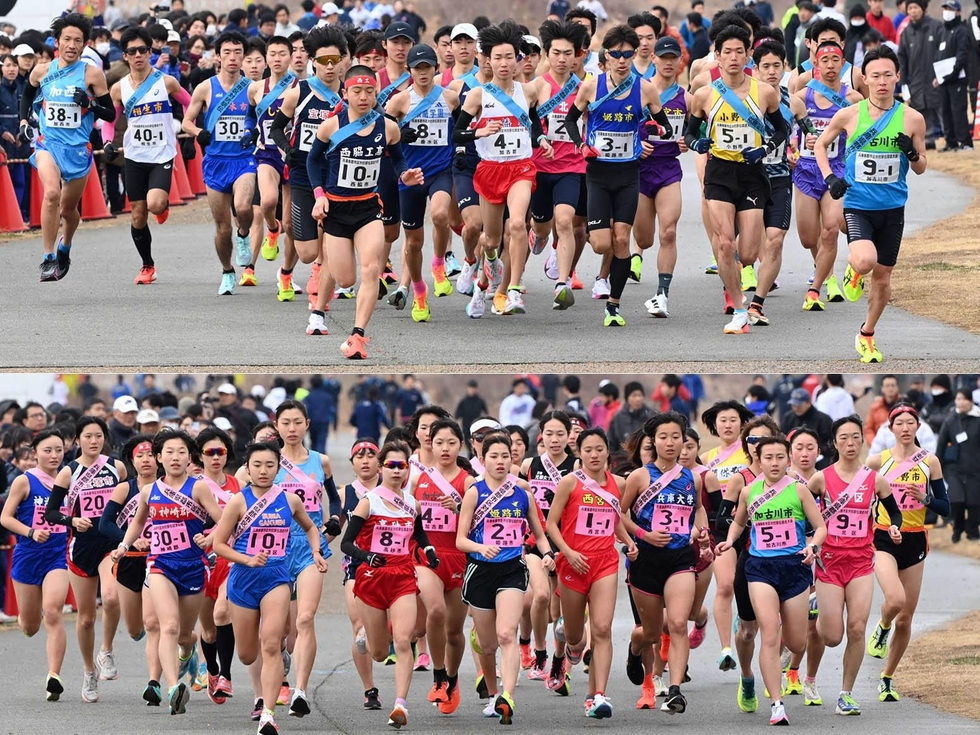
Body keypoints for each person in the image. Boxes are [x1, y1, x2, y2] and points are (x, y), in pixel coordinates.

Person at [815, 46, 927, 363]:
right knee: (866, 261)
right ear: (864, 78)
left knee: (883, 278)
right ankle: (854, 270)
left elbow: (921, 167)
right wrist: (830, 178)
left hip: (893, 208)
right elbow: (821, 145)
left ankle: (866, 334)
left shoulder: (912, 118)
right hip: (859, 205)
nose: (881, 82)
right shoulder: (850, 114)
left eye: (887, 75)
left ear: (897, 77)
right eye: (875, 76)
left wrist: (912, 154)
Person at [306, 65, 423, 359]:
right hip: (336, 209)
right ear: (345, 94)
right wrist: (319, 195)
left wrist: (405, 175)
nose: (363, 97)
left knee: (371, 269)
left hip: (368, 207)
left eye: (369, 91)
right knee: (346, 279)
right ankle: (321, 299)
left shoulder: (388, 127)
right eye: (357, 91)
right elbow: (312, 161)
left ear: (376, 93)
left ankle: (357, 336)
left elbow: (398, 160)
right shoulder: (331, 126)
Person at [211, 441, 326, 735]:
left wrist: (316, 551)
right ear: (248, 468)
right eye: (257, 465)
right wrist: (247, 559)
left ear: (278, 469)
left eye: (270, 465)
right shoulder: (238, 501)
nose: (263, 470)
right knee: (248, 655)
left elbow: (311, 526)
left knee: (271, 644)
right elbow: (219, 544)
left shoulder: (289, 500)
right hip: (243, 578)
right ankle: (267, 673)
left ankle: (268, 714)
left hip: (276, 576)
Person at [563, 23, 673, 326]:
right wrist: (580, 145)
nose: (622, 60)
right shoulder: (591, 86)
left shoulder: (646, 89)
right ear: (606, 57)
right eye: (616, 54)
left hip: (628, 174)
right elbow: (570, 121)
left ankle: (613, 306)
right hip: (598, 173)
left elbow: (665, 126)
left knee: (622, 238)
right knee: (601, 243)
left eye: (627, 54)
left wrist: (654, 127)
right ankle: (608, 269)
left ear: (634, 55)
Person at [109, 430, 224, 715]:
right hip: (160, 565)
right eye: (169, 452)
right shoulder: (149, 491)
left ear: (189, 458)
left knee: (183, 634)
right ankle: (174, 688)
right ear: (159, 457)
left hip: (193, 567)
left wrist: (210, 538)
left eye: (181, 452)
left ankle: (187, 651)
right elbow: (137, 523)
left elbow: (224, 520)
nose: (175, 457)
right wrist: (124, 545)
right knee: (167, 626)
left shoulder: (198, 488)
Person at [685, 25, 789, 334]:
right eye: (726, 52)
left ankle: (743, 284)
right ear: (716, 56)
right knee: (725, 242)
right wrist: (697, 143)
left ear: (748, 55)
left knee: (749, 253)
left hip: (752, 174)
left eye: (739, 52)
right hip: (719, 172)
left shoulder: (764, 92)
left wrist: (764, 149)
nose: (733, 57)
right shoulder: (704, 94)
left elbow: (781, 130)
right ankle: (739, 308)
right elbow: (689, 133)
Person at [716, 437, 827, 726]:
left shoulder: (799, 490)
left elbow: (820, 527)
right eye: (768, 457)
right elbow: (739, 522)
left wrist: (813, 546)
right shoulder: (749, 491)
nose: (774, 463)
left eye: (780, 457)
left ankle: (784, 659)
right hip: (760, 568)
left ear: (788, 459)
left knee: (796, 642)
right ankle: (777, 705)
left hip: (794, 568)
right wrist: (729, 541)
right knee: (769, 632)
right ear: (759, 460)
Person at [451, 21, 554, 317]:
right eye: (498, 57)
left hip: (521, 168)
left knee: (518, 224)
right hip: (490, 170)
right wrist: (478, 132)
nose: (504, 63)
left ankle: (513, 290)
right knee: (491, 239)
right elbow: (457, 134)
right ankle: (486, 275)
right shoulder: (478, 95)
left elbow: (533, 125)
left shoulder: (528, 91)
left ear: (518, 58)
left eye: (510, 56)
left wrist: (541, 140)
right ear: (487, 60)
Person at [805, 415, 905, 715]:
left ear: (863, 440)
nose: (850, 443)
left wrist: (895, 527)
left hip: (861, 561)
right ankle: (818, 613)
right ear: (834, 443)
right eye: (844, 438)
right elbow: (802, 514)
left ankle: (845, 694)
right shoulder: (821, 479)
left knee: (857, 629)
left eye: (855, 437)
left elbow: (894, 513)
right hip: (830, 562)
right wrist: (810, 542)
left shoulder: (875, 479)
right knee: (832, 636)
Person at [456, 432, 555, 724]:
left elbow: (539, 534)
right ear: (482, 459)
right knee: (487, 645)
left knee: (506, 634)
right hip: (480, 570)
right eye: (494, 456)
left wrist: (547, 553)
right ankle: (492, 693)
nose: (500, 461)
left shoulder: (522, 493)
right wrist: (480, 547)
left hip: (511, 569)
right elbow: (460, 540)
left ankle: (507, 696)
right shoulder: (474, 492)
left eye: (505, 456)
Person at [340, 440, 438, 729]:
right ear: (381, 468)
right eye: (391, 465)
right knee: (380, 652)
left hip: (402, 576)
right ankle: (367, 637)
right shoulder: (368, 502)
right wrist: (366, 556)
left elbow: (420, 535)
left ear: (407, 469)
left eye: (401, 465)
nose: (396, 470)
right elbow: (346, 543)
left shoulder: (412, 503)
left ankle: (400, 704)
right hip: (371, 578)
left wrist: (429, 550)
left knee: (404, 639)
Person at [622, 413, 708, 715]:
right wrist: (643, 535)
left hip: (680, 558)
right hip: (646, 558)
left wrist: (699, 533)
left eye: (676, 437)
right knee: (650, 633)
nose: (670, 443)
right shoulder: (639, 477)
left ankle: (674, 691)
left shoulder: (693, 478)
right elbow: (619, 515)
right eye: (663, 437)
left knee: (678, 623)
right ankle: (635, 650)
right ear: (653, 441)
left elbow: (699, 510)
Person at [19, 13, 113, 282]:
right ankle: (48, 258)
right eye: (67, 39)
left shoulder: (92, 74)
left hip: (78, 150)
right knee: (51, 194)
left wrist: (89, 104)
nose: (72, 45)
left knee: (68, 211)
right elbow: (27, 94)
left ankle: (65, 246)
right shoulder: (42, 70)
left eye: (78, 40)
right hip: (48, 144)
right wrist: (24, 120)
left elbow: (109, 114)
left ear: (85, 44)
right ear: (57, 41)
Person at [866, 405, 949, 702]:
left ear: (918, 427)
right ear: (890, 429)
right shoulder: (877, 461)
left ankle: (887, 677)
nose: (905, 428)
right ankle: (882, 626)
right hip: (884, 536)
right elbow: (858, 498)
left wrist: (925, 498)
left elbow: (945, 507)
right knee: (895, 600)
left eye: (910, 423)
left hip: (915, 539)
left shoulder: (929, 461)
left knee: (905, 618)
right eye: (899, 423)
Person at [44, 417, 126, 703]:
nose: (94, 441)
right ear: (77, 440)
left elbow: (129, 502)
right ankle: (89, 670)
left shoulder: (116, 467)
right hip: (80, 547)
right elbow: (51, 512)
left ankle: (107, 650)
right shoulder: (68, 472)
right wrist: (72, 520)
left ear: (105, 438)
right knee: (87, 618)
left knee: (112, 597)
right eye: (88, 436)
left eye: (99, 435)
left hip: (109, 544)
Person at [101, 26, 189, 285]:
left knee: (155, 204)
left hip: (162, 154)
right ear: (125, 55)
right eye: (132, 51)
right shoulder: (118, 89)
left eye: (142, 50)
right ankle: (147, 265)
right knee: (138, 214)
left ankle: (162, 206)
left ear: (151, 52)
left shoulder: (166, 82)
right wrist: (108, 141)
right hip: (135, 155)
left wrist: (190, 129)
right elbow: (110, 120)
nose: (138, 55)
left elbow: (190, 102)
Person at [269, 26, 347, 312]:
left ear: (343, 60)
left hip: (338, 174)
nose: (330, 66)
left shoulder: (351, 94)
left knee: (329, 238)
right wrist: (286, 150)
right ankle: (308, 266)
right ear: (313, 61)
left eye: (335, 60)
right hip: (303, 173)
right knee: (306, 252)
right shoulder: (298, 92)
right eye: (323, 61)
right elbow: (276, 128)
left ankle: (320, 283)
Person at [272, 400, 338, 717]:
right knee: (282, 627)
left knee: (305, 618)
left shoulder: (320, 461)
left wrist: (333, 522)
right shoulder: (267, 463)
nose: (292, 428)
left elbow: (334, 500)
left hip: (310, 545)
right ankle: (281, 665)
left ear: (307, 424)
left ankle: (300, 690)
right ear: (276, 425)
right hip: (275, 547)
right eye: (286, 422)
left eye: (297, 422)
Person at [384, 43, 459, 322]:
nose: (423, 72)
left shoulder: (450, 98)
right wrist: (400, 133)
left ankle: (438, 264)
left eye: (427, 67)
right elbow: (384, 135)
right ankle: (418, 290)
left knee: (440, 214)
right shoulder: (399, 101)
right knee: (413, 243)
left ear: (436, 68)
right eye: (418, 68)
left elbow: (461, 130)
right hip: (411, 174)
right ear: (410, 71)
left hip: (440, 171)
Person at [182, 31, 257, 295]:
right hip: (215, 162)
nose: (232, 57)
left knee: (243, 207)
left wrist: (253, 132)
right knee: (223, 228)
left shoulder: (252, 88)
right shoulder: (205, 88)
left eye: (238, 52)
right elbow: (186, 121)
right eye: (227, 52)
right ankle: (227, 270)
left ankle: (244, 233)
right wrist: (198, 132)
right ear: (218, 56)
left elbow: (264, 118)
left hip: (244, 159)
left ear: (244, 56)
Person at [0, 429, 70, 701]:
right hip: (28, 555)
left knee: (52, 612)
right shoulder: (24, 481)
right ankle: (26, 618)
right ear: (35, 453)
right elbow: (6, 518)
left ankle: (54, 676)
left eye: (58, 450)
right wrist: (30, 532)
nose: (54, 455)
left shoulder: (69, 481)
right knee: (30, 627)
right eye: (47, 450)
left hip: (58, 555)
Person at [793, 40, 861, 312]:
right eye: (825, 60)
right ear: (815, 65)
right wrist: (797, 144)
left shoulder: (853, 99)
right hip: (806, 170)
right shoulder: (802, 96)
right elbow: (789, 130)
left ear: (843, 64)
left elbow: (862, 133)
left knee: (831, 229)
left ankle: (816, 288)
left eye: (835, 60)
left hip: (836, 169)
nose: (830, 65)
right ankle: (827, 273)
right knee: (809, 238)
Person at [408, 418, 471, 713]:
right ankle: (438, 676)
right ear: (429, 444)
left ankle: (452, 679)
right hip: (426, 555)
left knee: (454, 633)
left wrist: (459, 508)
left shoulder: (468, 482)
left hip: (457, 557)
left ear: (461, 445)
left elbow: (479, 524)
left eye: (451, 443)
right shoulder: (417, 479)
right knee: (435, 610)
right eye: (439, 442)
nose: (445, 448)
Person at [98, 434, 164, 706]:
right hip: (130, 560)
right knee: (136, 630)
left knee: (156, 624)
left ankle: (157, 681)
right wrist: (130, 540)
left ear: (159, 458)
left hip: (161, 561)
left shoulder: (169, 487)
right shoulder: (125, 489)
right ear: (132, 461)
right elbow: (105, 524)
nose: (146, 460)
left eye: (150, 455)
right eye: (140, 456)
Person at [520, 410, 576, 690]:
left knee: (559, 610)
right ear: (541, 434)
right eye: (549, 434)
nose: (554, 439)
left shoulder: (577, 466)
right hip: (536, 540)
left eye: (560, 434)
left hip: (566, 542)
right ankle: (540, 651)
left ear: (569, 436)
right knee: (540, 595)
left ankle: (558, 658)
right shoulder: (529, 465)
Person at [635, 37, 690, 320]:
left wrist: (688, 141)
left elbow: (697, 129)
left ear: (680, 61)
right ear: (653, 59)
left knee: (668, 231)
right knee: (643, 239)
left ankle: (661, 295)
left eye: (673, 58)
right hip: (640, 170)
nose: (668, 63)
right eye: (663, 58)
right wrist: (637, 145)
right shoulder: (639, 91)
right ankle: (636, 254)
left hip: (668, 169)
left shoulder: (687, 98)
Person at [700, 399, 753, 670]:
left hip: (752, 527)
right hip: (721, 528)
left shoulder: (751, 454)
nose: (728, 425)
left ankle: (742, 618)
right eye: (723, 420)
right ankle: (725, 649)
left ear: (742, 424)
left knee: (745, 586)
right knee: (724, 585)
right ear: (714, 425)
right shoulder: (706, 459)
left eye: (733, 420)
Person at [240, 35, 296, 290]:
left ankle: (286, 274)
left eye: (282, 54)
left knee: (292, 225)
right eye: (272, 54)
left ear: (290, 57)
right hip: (267, 153)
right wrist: (249, 131)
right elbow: (251, 116)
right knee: (268, 202)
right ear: (266, 58)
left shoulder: (299, 88)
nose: (277, 59)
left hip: (292, 156)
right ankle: (272, 229)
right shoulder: (255, 88)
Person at [191, 427, 240, 702]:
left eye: (220, 451)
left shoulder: (237, 485)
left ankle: (226, 676)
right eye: (209, 452)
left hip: (229, 558)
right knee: (208, 632)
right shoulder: (193, 485)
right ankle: (211, 669)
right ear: (200, 456)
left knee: (223, 613)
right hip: (200, 561)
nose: (216, 457)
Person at [896, 0, 943, 148]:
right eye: (910, 8)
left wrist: (941, 74)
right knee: (921, 110)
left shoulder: (936, 26)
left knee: (941, 108)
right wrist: (903, 83)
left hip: (934, 78)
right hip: (916, 80)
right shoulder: (906, 33)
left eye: (915, 7)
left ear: (922, 9)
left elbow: (943, 52)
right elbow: (902, 59)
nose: (913, 11)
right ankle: (927, 140)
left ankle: (949, 139)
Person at [937, 390, 980, 541]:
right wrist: (938, 466)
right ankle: (958, 528)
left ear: (971, 401)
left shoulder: (978, 419)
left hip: (975, 469)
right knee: (956, 500)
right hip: (954, 469)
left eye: (964, 399)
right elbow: (941, 445)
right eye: (958, 399)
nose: (960, 402)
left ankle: (973, 532)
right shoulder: (950, 421)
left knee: (974, 503)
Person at [780, 388, 833, 456]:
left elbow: (829, 442)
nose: (796, 408)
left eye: (799, 405)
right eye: (794, 405)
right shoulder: (788, 418)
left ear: (808, 403)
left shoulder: (823, 420)